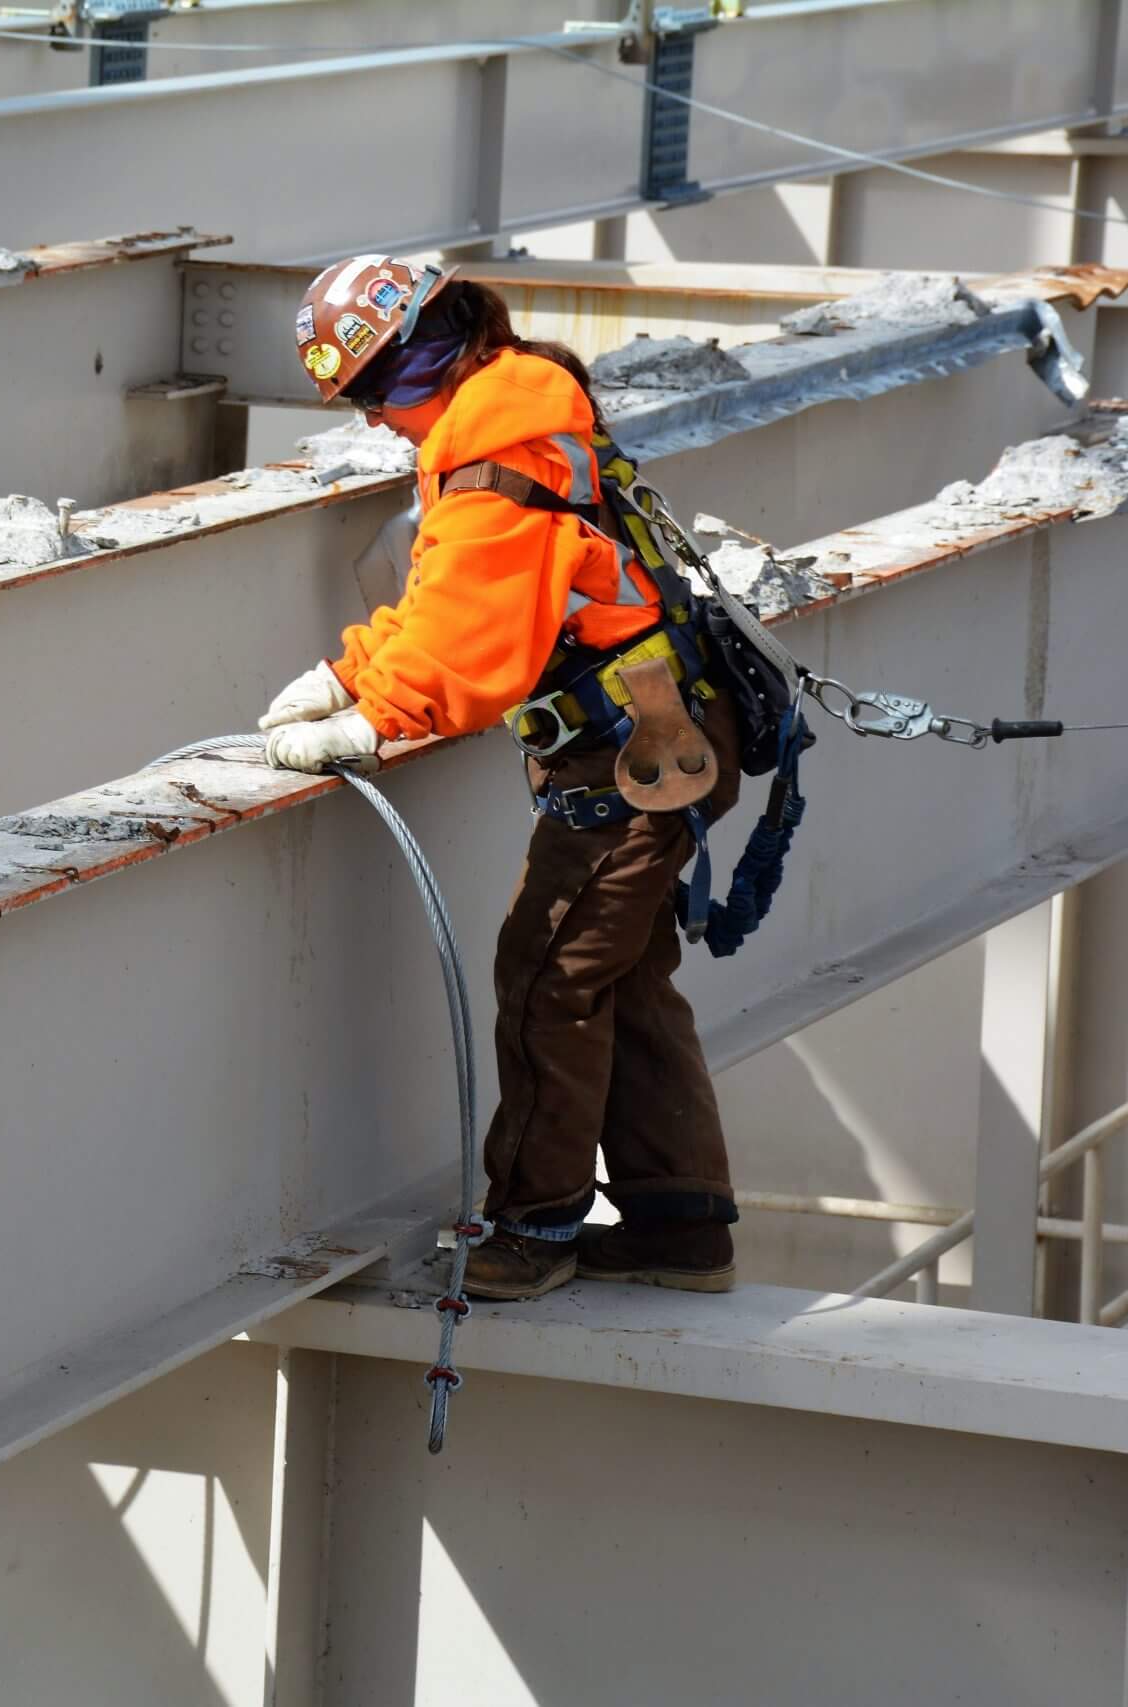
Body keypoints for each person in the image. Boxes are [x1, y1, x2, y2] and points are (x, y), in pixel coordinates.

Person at [259, 254, 743, 1301]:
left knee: (548, 981)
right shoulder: (512, 419)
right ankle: (678, 1221)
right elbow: (452, 597)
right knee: (624, 980)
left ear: (435, 353)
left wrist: (374, 717)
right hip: (657, 738)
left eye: (386, 390)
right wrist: (348, 672)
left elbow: (471, 653)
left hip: (628, 761)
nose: (384, 419)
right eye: (368, 401)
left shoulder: (495, 458)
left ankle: (534, 1230)